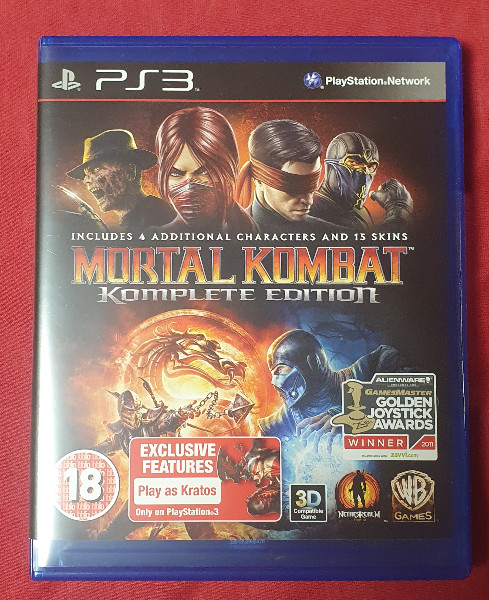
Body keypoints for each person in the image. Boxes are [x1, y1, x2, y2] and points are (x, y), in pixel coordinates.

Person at [258, 329, 408, 451]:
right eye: (273, 373)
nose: (274, 382)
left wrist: (346, 413)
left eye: (280, 370)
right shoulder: (275, 427)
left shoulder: (367, 371)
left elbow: (413, 395)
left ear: (313, 363)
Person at [150, 107, 257, 234]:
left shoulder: (253, 233)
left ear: (229, 168)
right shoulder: (155, 237)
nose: (189, 187)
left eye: (204, 172)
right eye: (176, 174)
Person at [237, 119, 339, 234]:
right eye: (293, 189)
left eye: (311, 186)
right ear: (259, 180)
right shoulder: (227, 234)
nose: (308, 201)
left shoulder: (336, 236)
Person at [67, 129, 175, 230]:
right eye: (86, 174)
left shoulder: (159, 217)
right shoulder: (134, 220)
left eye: (97, 169)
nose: (86, 180)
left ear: (130, 171)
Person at [310, 131, 413, 232]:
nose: (364, 173)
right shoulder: (308, 210)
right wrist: (399, 213)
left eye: (370, 167)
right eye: (354, 163)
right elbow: (366, 243)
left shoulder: (361, 212)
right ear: (330, 166)